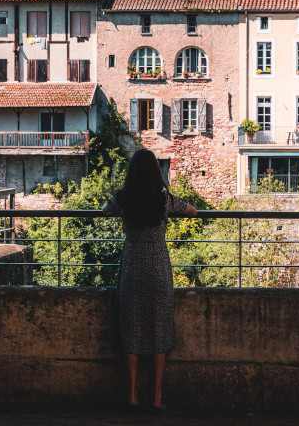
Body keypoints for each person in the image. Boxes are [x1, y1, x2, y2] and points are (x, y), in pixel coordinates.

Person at [102, 149, 197, 411]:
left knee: (131, 329)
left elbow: (104, 210)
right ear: (156, 172)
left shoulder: (123, 199)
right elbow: (193, 211)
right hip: (157, 268)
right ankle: (156, 399)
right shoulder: (164, 200)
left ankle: (132, 395)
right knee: (159, 329)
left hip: (133, 266)